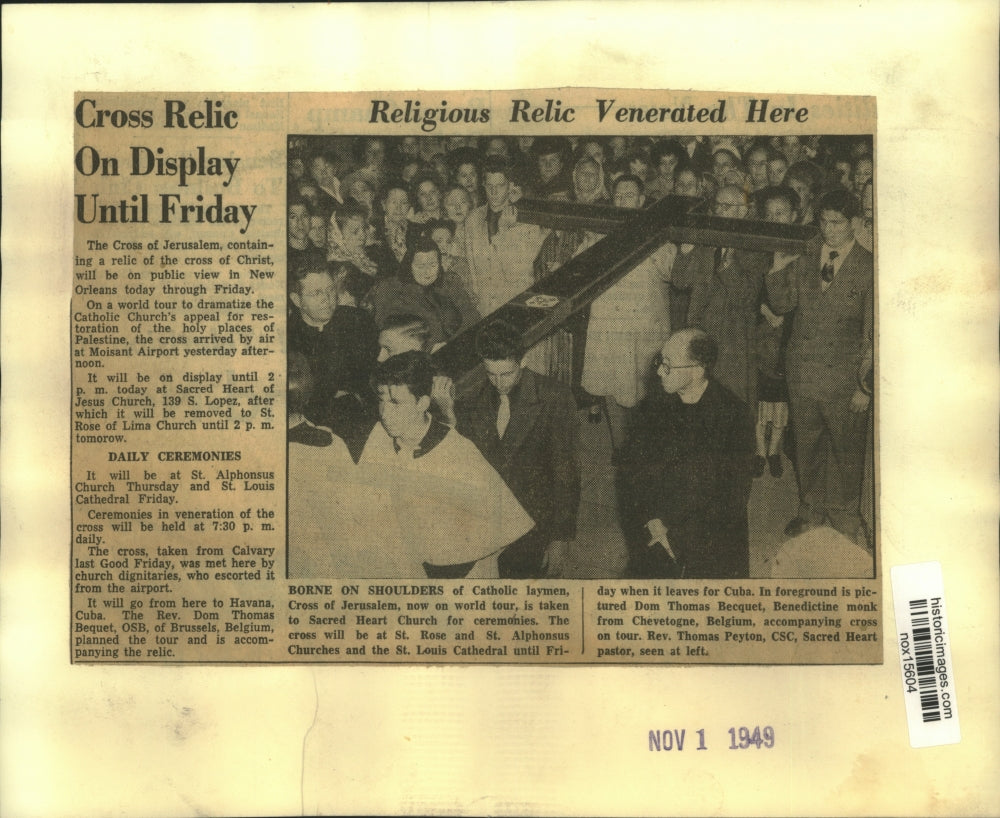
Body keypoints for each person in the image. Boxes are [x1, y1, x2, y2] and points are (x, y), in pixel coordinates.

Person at [358, 351, 534, 578]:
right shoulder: (379, 435)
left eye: (396, 403)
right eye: (381, 401)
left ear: (422, 403)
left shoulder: (458, 452)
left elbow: (506, 523)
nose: (385, 413)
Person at [766, 189, 874, 544]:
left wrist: (865, 387)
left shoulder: (869, 265)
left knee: (847, 450)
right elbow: (782, 305)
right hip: (804, 374)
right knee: (806, 447)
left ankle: (845, 515)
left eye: (838, 223)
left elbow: (874, 332)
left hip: (845, 380)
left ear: (855, 224)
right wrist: (777, 269)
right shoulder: (807, 253)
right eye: (823, 221)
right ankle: (810, 509)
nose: (829, 230)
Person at [618, 329, 754, 579]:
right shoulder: (652, 406)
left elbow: (731, 499)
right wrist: (651, 518)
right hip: (655, 531)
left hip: (708, 544)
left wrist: (676, 541)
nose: (659, 371)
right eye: (661, 362)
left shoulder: (734, 416)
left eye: (668, 366)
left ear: (697, 370)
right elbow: (634, 470)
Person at [455, 319, 581, 578]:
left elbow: (565, 470)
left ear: (523, 361)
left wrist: (560, 537)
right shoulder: (471, 398)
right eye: (491, 374)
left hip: (532, 518)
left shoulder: (555, 397)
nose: (499, 383)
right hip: (487, 517)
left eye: (507, 374)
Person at [581, 174, 675, 450]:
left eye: (629, 196)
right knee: (612, 386)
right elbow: (582, 270)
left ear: (642, 200)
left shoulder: (659, 233)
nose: (622, 201)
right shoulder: (601, 230)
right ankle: (620, 447)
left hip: (643, 326)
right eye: (618, 196)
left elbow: (672, 271)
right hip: (609, 324)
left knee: (646, 389)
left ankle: (644, 448)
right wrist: (590, 242)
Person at [672, 184, 770, 404]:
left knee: (729, 406)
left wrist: (728, 265)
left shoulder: (756, 245)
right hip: (700, 337)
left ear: (744, 211)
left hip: (733, 343)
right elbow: (679, 281)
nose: (720, 212)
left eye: (727, 206)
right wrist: (686, 251)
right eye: (718, 206)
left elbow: (747, 296)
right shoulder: (706, 241)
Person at [453, 156, 548, 318]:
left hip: (514, 310)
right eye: (489, 185)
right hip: (483, 311)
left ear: (511, 186)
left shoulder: (526, 221)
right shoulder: (473, 219)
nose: (494, 192)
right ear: (483, 185)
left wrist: (505, 232)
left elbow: (517, 274)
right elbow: (471, 265)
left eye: (500, 185)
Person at [752, 186, 799, 478]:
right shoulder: (760, 249)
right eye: (769, 214)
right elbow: (751, 292)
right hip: (762, 337)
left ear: (794, 216)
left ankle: (774, 450)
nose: (774, 219)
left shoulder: (800, 252)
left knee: (782, 404)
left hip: (788, 339)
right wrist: (765, 312)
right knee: (761, 401)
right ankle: (759, 450)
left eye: (780, 213)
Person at [366, 236, 478, 346]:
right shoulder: (392, 289)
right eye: (420, 266)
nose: (427, 271)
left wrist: (451, 344)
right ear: (409, 266)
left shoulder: (450, 283)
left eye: (433, 265)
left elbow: (471, 317)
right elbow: (391, 334)